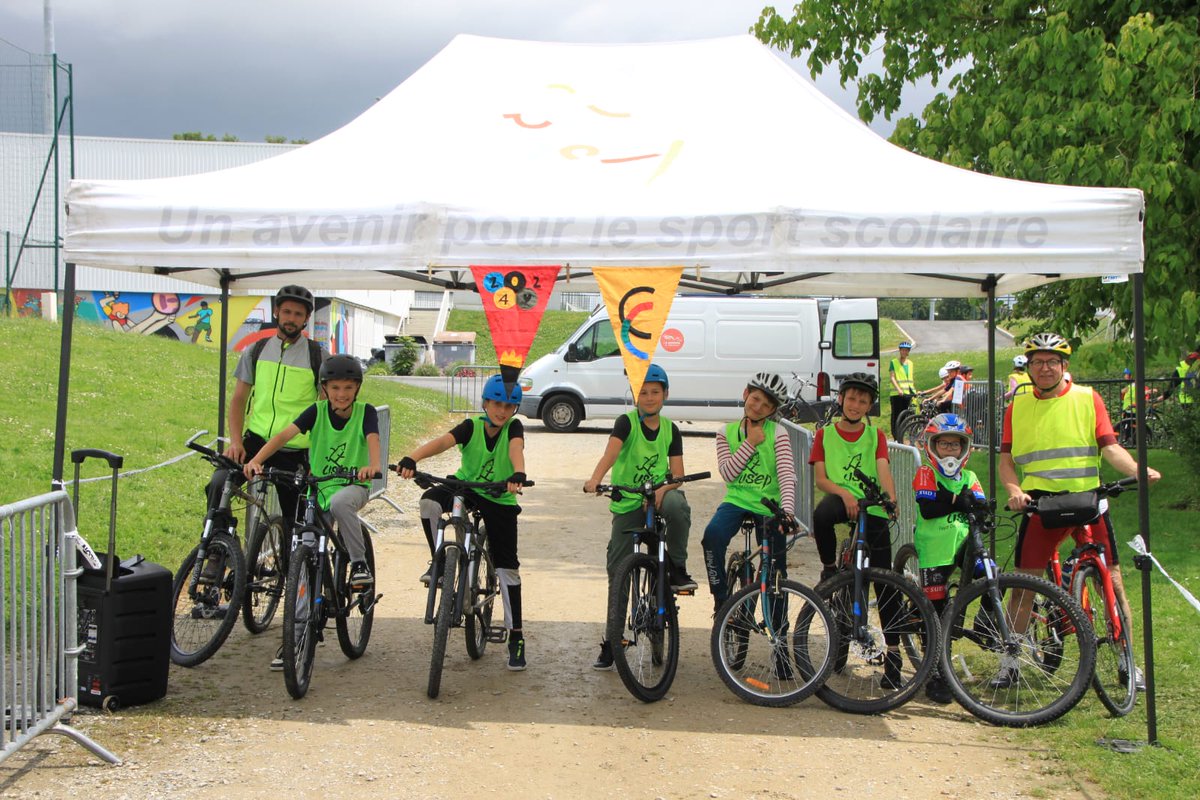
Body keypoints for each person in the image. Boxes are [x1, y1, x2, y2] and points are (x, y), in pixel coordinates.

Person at [998, 332, 1161, 690]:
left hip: (1088, 500)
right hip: (1041, 503)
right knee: (1023, 586)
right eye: (1037, 362)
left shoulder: (1088, 398)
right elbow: (1006, 460)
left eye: (1051, 362)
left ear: (1064, 365)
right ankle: (1009, 661)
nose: (1044, 368)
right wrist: (1014, 491)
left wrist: (1136, 470)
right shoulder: (1016, 407)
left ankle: (1126, 659)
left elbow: (1110, 447)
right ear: (1028, 367)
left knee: (1112, 582)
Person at [397, 374, 531, 671]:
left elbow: (516, 449)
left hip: (498, 496)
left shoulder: (513, 427)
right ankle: (439, 560)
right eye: (496, 404)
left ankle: (516, 636)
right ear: (485, 403)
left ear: (514, 409)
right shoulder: (471, 426)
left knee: (507, 569)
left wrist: (518, 474)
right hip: (466, 486)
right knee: (429, 502)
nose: (502, 411)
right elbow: (443, 442)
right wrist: (412, 458)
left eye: (509, 406)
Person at [583, 364, 696, 671]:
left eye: (655, 392)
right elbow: (611, 453)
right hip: (629, 500)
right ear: (635, 396)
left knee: (678, 506)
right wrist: (595, 479)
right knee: (618, 570)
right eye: (642, 392)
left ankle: (677, 568)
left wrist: (664, 488)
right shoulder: (626, 423)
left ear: (665, 394)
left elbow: (678, 474)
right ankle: (612, 640)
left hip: (658, 496)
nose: (649, 397)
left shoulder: (671, 429)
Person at [244, 354, 381, 589]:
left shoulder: (365, 412)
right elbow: (283, 436)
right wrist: (256, 460)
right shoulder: (316, 411)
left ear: (357, 388)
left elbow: (373, 438)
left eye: (348, 388)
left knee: (340, 503)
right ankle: (309, 602)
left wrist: (374, 466)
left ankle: (359, 564)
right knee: (307, 543)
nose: (341, 394)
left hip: (353, 485)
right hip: (319, 488)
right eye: (335, 388)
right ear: (325, 388)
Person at [208, 285, 326, 540]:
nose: (291, 319)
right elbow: (239, 400)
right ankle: (222, 545)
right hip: (256, 441)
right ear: (276, 312)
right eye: (287, 312)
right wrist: (236, 442)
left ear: (306, 318)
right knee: (219, 484)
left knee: (296, 524)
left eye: (298, 314)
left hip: (295, 450)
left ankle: (293, 561)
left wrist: (316, 458)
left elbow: (324, 412)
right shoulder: (256, 350)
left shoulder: (318, 356)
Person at [701, 372, 797, 612]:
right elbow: (728, 473)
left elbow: (786, 475)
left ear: (772, 410)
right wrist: (750, 442)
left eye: (766, 405)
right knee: (712, 536)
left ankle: (778, 627)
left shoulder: (778, 433)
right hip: (737, 500)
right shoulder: (725, 432)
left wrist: (787, 512)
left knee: (776, 569)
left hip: (769, 505)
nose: (758, 407)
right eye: (755, 399)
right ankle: (721, 600)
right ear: (746, 394)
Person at [911, 413, 986, 704]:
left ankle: (985, 622)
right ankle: (937, 672)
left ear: (964, 448)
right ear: (933, 446)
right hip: (933, 548)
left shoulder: (970, 477)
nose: (950, 451)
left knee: (990, 573)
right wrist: (958, 501)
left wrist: (950, 499)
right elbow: (928, 508)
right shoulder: (926, 472)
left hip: (964, 544)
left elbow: (979, 506)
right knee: (937, 611)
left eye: (956, 445)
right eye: (944, 444)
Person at [888, 341, 917, 435]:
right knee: (896, 415)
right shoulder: (894, 362)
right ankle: (895, 435)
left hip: (907, 393)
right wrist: (899, 390)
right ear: (900, 351)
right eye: (903, 350)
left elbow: (910, 378)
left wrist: (914, 390)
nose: (905, 352)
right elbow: (892, 377)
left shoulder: (910, 363)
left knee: (905, 416)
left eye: (907, 350)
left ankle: (901, 434)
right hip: (897, 393)